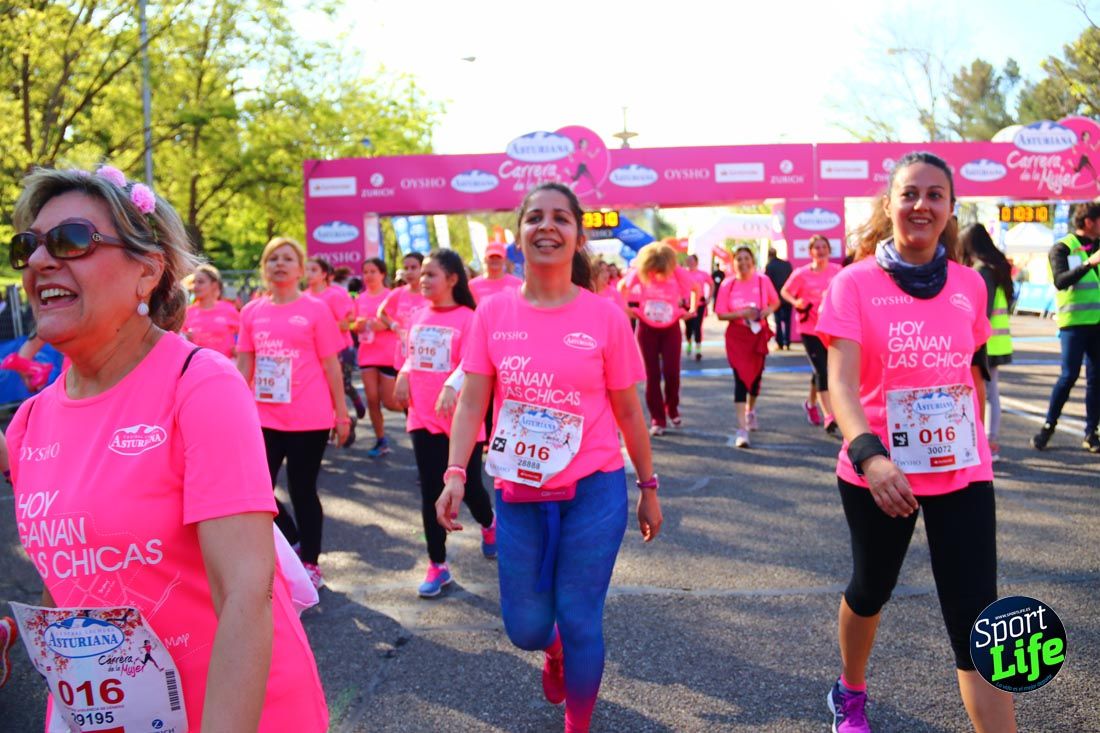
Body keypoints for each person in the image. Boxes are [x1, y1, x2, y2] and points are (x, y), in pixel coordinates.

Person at [6, 165, 327, 729]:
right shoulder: (29, 423)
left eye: (71, 240)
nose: (38, 261)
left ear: (146, 272)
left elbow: (245, 595)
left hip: (233, 711)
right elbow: (78, 584)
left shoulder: (197, 384)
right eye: (27, 245)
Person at [436, 182, 662, 733]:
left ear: (578, 235)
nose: (547, 226)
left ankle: (577, 723)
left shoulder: (605, 317)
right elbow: (472, 402)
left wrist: (649, 487)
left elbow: (630, 413)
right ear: (518, 235)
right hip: (519, 492)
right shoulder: (492, 314)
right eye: (534, 217)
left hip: (594, 488)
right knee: (527, 628)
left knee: (582, 618)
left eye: (561, 218)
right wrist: (455, 474)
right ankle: (552, 649)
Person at [816, 151, 1014, 733]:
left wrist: (979, 434)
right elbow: (842, 385)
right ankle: (850, 691)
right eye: (909, 194)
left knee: (979, 618)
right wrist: (870, 456)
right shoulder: (852, 284)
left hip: (961, 470)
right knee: (871, 589)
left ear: (951, 209)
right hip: (878, 472)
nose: (921, 205)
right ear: (890, 204)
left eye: (934, 195)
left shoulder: (970, 286)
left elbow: (966, 369)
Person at [238, 237, 350, 590]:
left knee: (303, 490)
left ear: (301, 269)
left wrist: (342, 414)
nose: (280, 264)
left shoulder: (315, 309)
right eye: (273, 258)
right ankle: (292, 539)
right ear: (264, 267)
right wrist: (231, 412)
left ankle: (312, 563)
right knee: (257, 490)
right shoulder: (251, 312)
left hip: (309, 418)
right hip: (263, 417)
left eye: (287, 259)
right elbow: (244, 366)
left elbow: (332, 365)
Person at [393, 249, 497, 596]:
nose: (422, 280)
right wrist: (405, 373)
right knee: (429, 492)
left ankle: (489, 523)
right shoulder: (418, 316)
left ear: (452, 279)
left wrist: (452, 386)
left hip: (460, 420)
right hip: (421, 414)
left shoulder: (470, 318)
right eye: (421, 274)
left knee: (470, 490)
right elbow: (411, 357)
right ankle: (437, 564)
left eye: (430, 274)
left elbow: (471, 361)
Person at [1031, 202, 1100, 452]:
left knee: (1097, 379)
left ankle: (1092, 433)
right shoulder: (1063, 247)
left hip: (1097, 324)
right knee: (1068, 376)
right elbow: (1061, 281)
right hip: (1073, 325)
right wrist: (1089, 264)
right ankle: (1047, 428)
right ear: (1089, 221)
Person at [621, 242, 696, 435]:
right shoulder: (643, 271)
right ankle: (657, 418)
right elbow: (622, 288)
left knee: (672, 372)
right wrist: (630, 310)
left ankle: (672, 408)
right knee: (651, 375)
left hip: (671, 327)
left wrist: (691, 311)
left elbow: (696, 287)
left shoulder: (676, 271)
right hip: (647, 328)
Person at [715, 246, 779, 448]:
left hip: (757, 334)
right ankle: (742, 430)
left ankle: (750, 410)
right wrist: (743, 313)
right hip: (737, 337)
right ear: (733, 263)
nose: (743, 263)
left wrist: (766, 311)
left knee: (756, 378)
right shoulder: (728, 284)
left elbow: (775, 302)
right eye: (739, 259)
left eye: (746, 258)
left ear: (752, 261)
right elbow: (720, 313)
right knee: (740, 380)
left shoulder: (763, 280)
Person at [961, 224, 1014, 462]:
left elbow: (984, 310)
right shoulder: (997, 267)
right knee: (992, 393)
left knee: (988, 393)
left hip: (987, 341)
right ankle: (990, 441)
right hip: (998, 340)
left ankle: (989, 443)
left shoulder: (983, 271)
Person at [781, 235, 843, 434]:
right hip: (809, 329)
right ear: (810, 252)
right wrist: (796, 302)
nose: (820, 250)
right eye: (816, 247)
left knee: (821, 371)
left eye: (824, 246)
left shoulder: (838, 272)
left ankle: (810, 403)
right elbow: (785, 292)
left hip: (832, 328)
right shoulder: (801, 274)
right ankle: (829, 415)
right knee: (822, 371)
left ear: (829, 250)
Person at [306, 255, 366, 437]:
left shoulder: (335, 295)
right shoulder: (303, 297)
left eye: (313, 270)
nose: (308, 274)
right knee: (324, 390)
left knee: (342, 385)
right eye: (306, 270)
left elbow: (346, 324)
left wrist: (320, 326)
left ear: (324, 274)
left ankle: (353, 401)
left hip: (341, 348)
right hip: (316, 352)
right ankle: (338, 424)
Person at [354, 257, 398, 457]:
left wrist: (385, 324)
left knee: (390, 402)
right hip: (367, 354)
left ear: (382, 274)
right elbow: (353, 325)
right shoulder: (359, 298)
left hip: (389, 354)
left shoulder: (392, 296)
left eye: (373, 271)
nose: (369, 275)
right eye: (365, 272)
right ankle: (381, 440)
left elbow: (398, 321)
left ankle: (416, 413)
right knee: (372, 399)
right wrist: (359, 325)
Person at [378, 252, 430, 380]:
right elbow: (381, 312)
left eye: (414, 268)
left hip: (426, 353)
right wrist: (394, 325)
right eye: (406, 268)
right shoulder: (398, 293)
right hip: (403, 352)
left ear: (423, 269)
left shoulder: (431, 293)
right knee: (402, 397)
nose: (409, 272)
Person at [182, 263, 239, 359]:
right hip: (197, 367)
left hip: (224, 367)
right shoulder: (187, 312)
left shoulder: (228, 309)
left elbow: (244, 338)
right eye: (194, 282)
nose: (195, 286)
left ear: (214, 285)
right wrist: (186, 338)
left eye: (200, 282)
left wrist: (237, 348)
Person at [682, 254, 712, 362]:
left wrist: (709, 297)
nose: (689, 262)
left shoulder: (703, 274)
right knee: (689, 327)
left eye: (691, 260)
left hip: (699, 304)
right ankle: (689, 342)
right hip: (687, 304)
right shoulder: (683, 273)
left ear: (696, 262)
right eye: (688, 260)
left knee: (697, 326)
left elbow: (711, 284)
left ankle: (698, 350)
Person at [765, 246, 793, 349]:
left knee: (778, 321)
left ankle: (780, 343)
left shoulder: (770, 266)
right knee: (787, 321)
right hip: (787, 297)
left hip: (776, 298)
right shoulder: (786, 264)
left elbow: (767, 283)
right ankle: (787, 342)